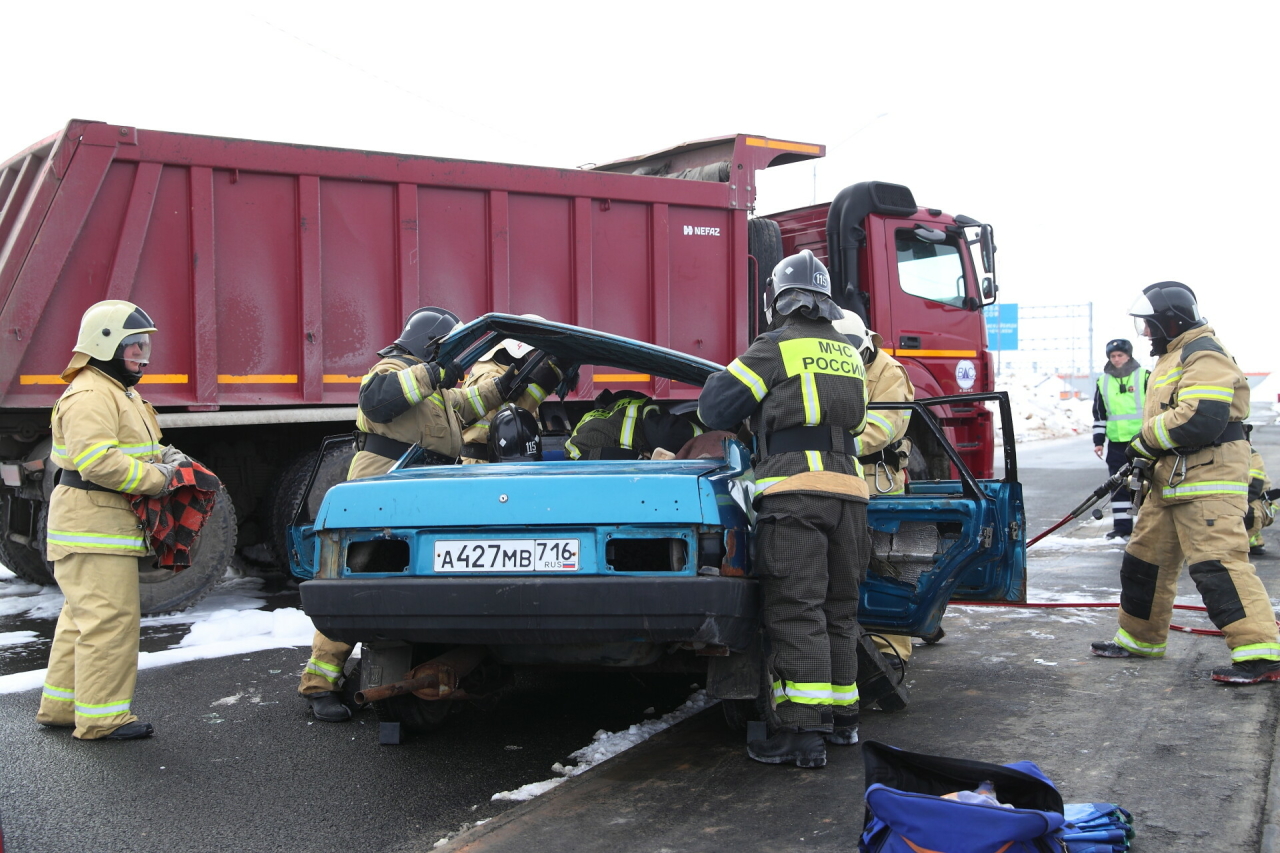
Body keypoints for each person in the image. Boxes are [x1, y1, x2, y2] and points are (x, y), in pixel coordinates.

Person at [299, 307, 558, 720]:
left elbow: (468, 402)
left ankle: (397, 663)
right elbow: (378, 399)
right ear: (431, 344)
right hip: (380, 490)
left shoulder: (433, 390)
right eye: (447, 348)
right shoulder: (390, 370)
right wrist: (435, 372)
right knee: (355, 583)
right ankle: (319, 684)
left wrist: (509, 383)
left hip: (419, 492)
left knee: (407, 583)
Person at [698, 249, 870, 768]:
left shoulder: (774, 347)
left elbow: (715, 408)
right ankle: (842, 723)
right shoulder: (848, 351)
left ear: (780, 299)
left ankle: (800, 735)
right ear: (824, 300)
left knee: (796, 610)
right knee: (839, 610)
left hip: (796, 495)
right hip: (851, 499)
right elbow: (856, 426)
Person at [1091, 282, 1280, 684]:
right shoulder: (1173, 356)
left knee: (1219, 566)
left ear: (1170, 321)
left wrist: (1144, 441)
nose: (1145, 334)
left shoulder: (1204, 353)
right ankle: (1141, 639)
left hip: (1208, 481)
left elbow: (1201, 418)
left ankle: (1261, 653)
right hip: (1171, 481)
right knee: (1144, 562)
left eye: (1149, 326)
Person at [37, 300, 187, 741]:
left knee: (83, 619)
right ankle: (102, 719)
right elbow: (97, 461)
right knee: (110, 621)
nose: (143, 354)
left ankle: (63, 708)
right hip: (93, 528)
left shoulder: (116, 390)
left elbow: (132, 445)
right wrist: (159, 479)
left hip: (98, 528)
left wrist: (166, 455)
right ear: (105, 345)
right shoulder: (91, 393)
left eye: (144, 346)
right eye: (134, 346)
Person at [833, 309, 917, 668]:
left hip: (877, 480)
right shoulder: (835, 361)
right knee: (841, 565)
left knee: (884, 564)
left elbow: (882, 428)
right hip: (838, 476)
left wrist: (828, 443)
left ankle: (893, 650)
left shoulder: (888, 372)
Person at [458, 317, 556, 464]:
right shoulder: (489, 375)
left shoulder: (509, 372)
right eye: (537, 356)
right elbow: (512, 418)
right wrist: (550, 376)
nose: (540, 363)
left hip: (503, 461)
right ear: (521, 351)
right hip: (484, 466)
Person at [1091, 339, 1151, 540]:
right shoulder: (1103, 381)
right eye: (1113, 356)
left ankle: (1146, 529)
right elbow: (1099, 414)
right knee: (1118, 485)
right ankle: (1122, 528)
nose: (1116, 359)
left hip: (1142, 441)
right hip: (1116, 444)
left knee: (1143, 485)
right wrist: (1098, 441)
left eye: (1120, 355)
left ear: (1129, 356)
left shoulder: (1144, 376)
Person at [564, 390, 702, 460]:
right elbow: (665, 432)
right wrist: (703, 436)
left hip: (579, 469)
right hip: (624, 465)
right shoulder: (639, 405)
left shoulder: (590, 416)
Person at [1245, 439, 1273, 556]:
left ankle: (1248, 539)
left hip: (1253, 502)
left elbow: (1253, 489)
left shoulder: (1251, 454)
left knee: (1249, 511)